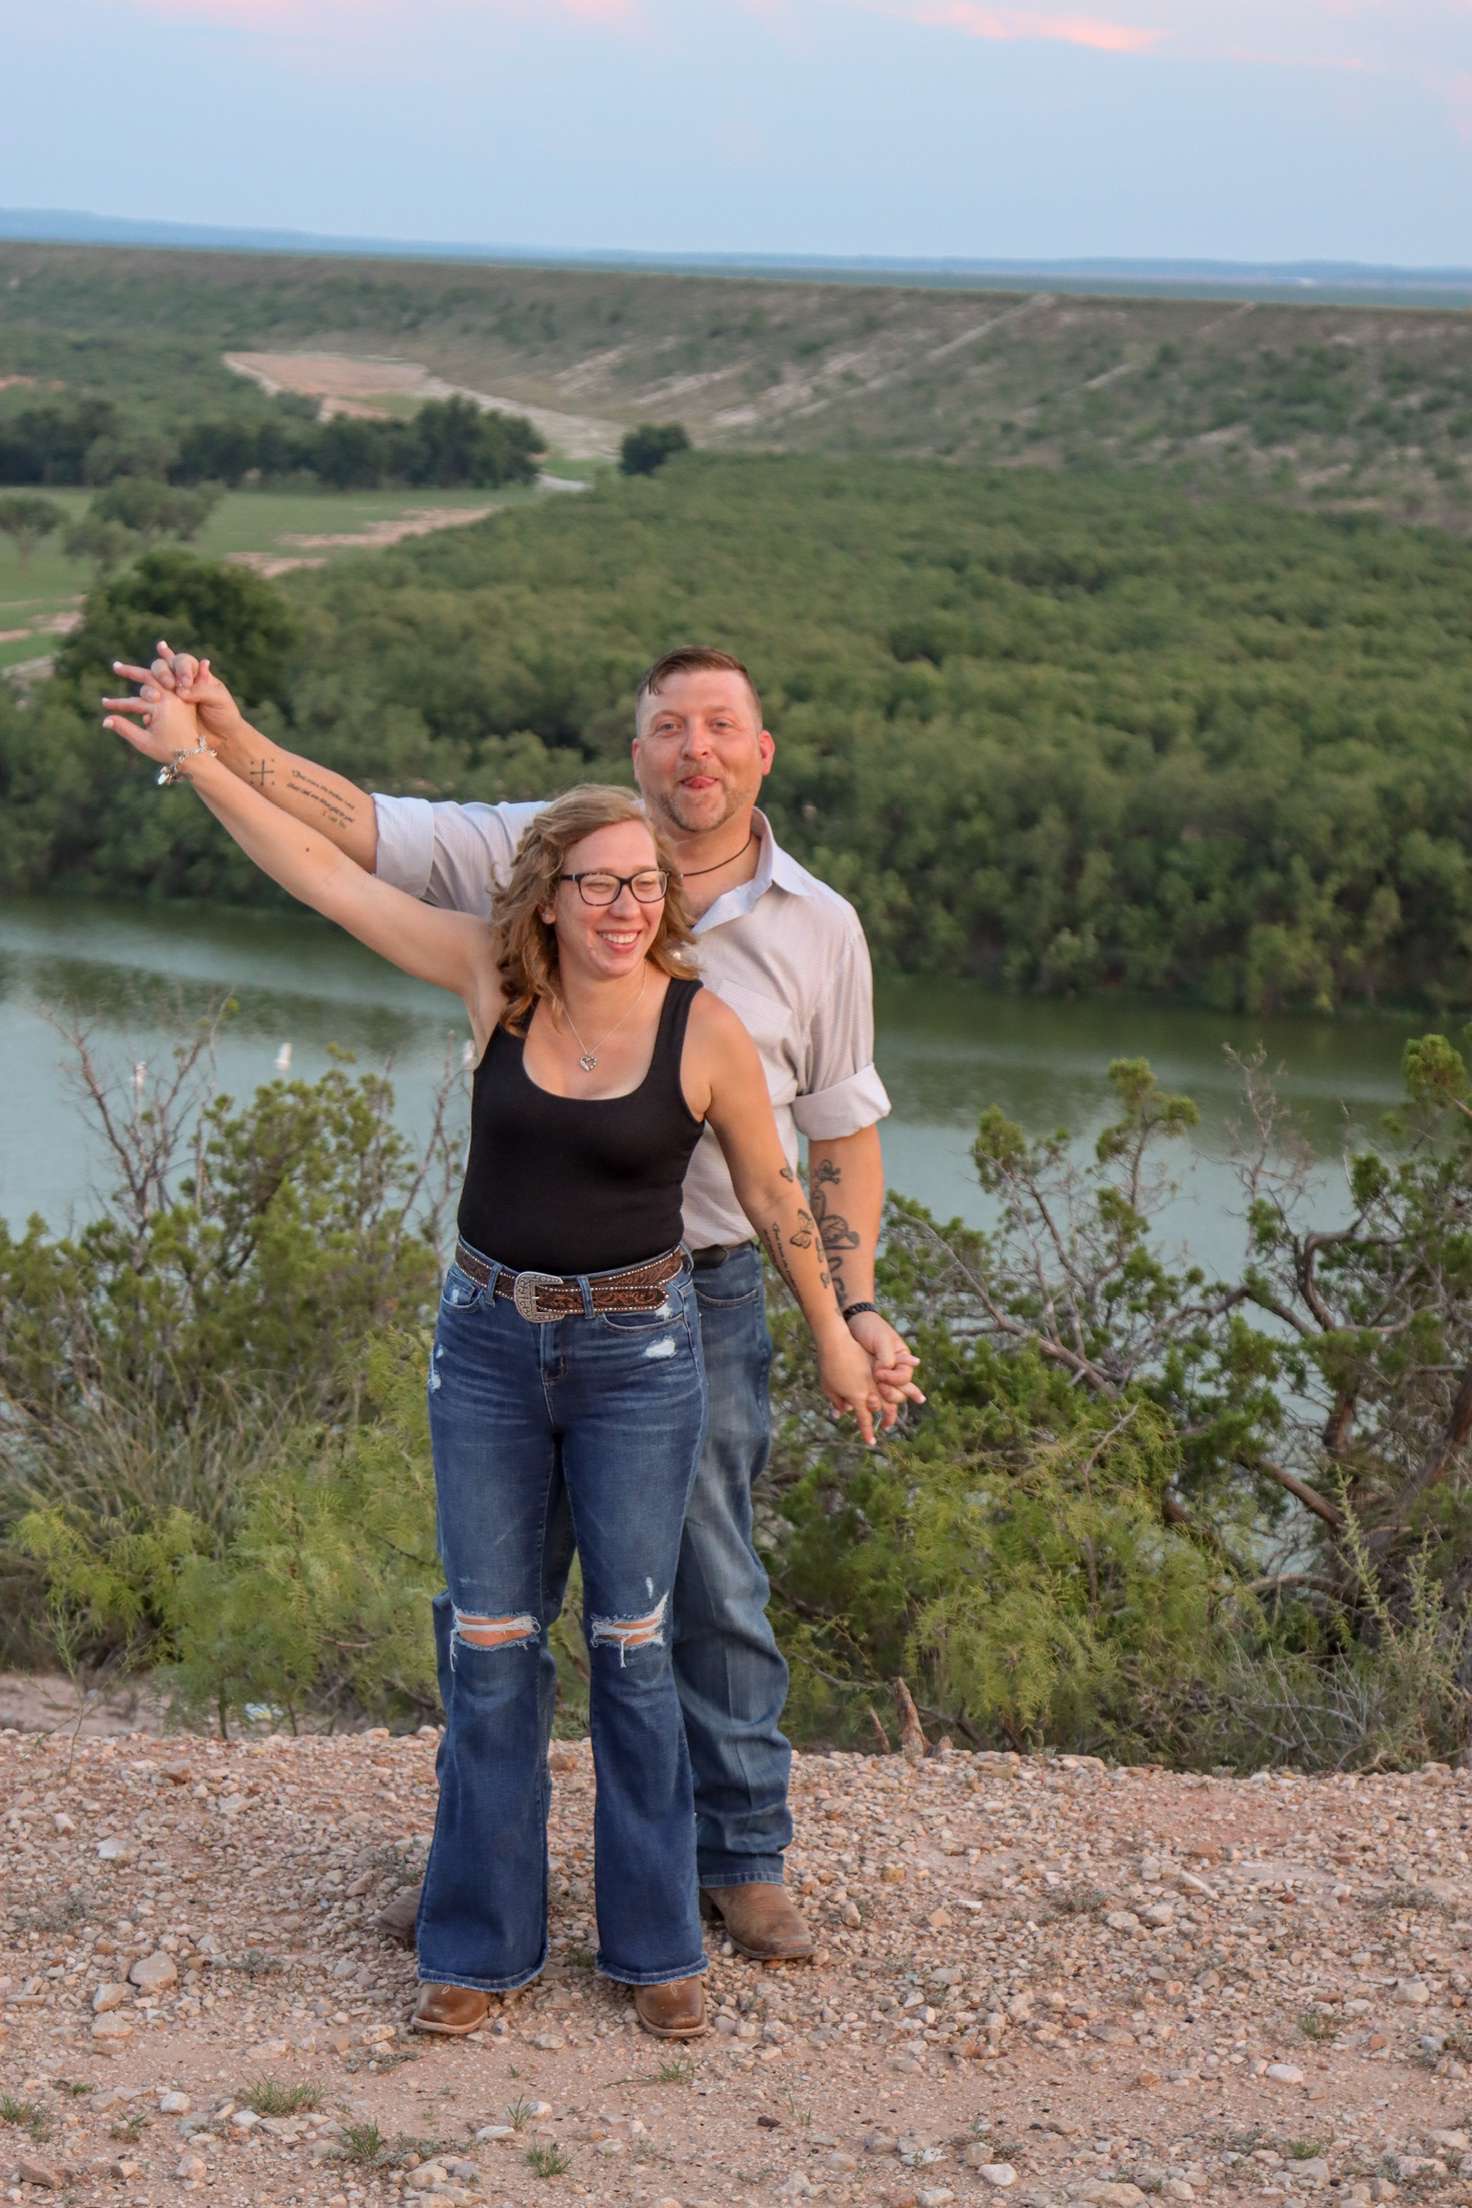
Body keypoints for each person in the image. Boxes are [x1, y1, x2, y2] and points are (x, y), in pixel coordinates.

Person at [114, 639, 924, 1964]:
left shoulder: (809, 933)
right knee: (494, 1613)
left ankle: (737, 1859)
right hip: (514, 1318)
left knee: (695, 1594)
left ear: (762, 752)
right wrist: (218, 743)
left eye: (723, 726)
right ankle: (478, 1887)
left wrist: (855, 1309)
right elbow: (349, 845)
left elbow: (827, 1154)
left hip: (695, 1300)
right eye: (672, 726)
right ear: (628, 768)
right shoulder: (525, 892)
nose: (697, 749)